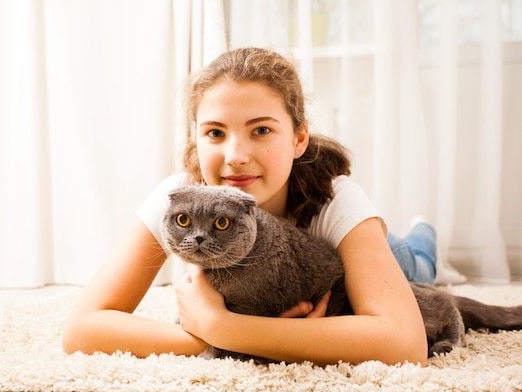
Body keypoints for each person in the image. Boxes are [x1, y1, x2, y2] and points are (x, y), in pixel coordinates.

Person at [63, 47, 452, 366]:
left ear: (299, 139)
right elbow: (82, 329)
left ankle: (423, 238)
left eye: (261, 130)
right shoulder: (182, 196)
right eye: (215, 132)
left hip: (383, 259)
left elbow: (404, 343)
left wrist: (224, 329)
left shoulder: (337, 199)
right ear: (196, 139)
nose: (235, 156)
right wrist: (216, 341)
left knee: (416, 264)